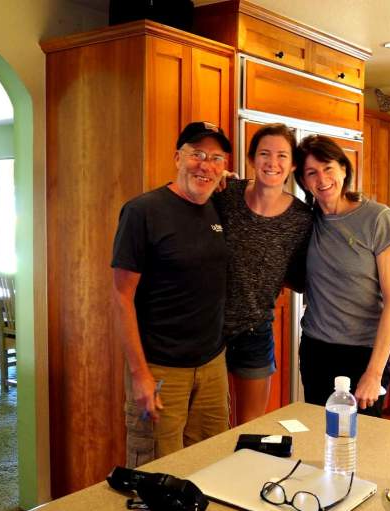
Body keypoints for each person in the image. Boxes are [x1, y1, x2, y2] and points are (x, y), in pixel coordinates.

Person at [111, 121, 233, 467]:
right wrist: (140, 375)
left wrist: (223, 178)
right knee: (158, 470)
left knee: (212, 463)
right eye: (197, 155)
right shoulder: (143, 211)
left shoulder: (219, 206)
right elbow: (121, 296)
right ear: (178, 157)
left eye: (216, 158)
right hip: (161, 368)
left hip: (212, 365)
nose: (205, 165)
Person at [294, 134, 390, 417]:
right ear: (303, 181)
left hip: (364, 353)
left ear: (344, 169)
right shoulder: (305, 220)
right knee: (319, 432)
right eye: (311, 173)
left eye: (328, 168)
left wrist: (374, 373)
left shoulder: (377, 218)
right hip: (316, 350)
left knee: (363, 437)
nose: (322, 179)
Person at [213, 123, 313, 424]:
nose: (273, 162)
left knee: (250, 424)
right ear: (251, 159)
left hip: (255, 332)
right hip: (208, 329)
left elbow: (300, 277)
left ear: (292, 165)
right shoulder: (226, 194)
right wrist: (217, 175)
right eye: (264, 153)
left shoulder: (301, 219)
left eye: (282, 155)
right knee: (210, 425)